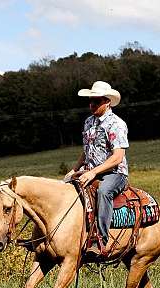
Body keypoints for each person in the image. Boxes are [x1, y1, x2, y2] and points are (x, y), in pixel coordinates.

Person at [64, 81, 129, 256]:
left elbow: (117, 157)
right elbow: (86, 151)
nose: (92, 105)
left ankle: (100, 240)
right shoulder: (88, 122)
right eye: (91, 101)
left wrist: (93, 172)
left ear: (107, 102)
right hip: (89, 171)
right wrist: (74, 170)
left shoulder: (116, 124)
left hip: (114, 173)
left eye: (96, 101)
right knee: (65, 191)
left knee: (103, 192)